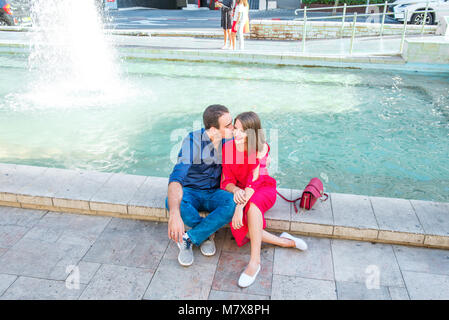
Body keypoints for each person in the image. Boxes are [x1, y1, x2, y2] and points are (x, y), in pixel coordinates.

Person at [221, 112, 308, 288]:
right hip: (241, 192)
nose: (237, 134)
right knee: (239, 226)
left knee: (251, 209)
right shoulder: (227, 148)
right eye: (236, 129)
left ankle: (255, 262)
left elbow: (255, 181)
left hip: (262, 189)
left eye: (243, 131)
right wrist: (236, 190)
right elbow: (226, 181)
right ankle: (285, 241)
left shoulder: (261, 148)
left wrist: (239, 207)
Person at [166, 104, 236, 267]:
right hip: (191, 191)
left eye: (231, 122)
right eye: (228, 125)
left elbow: (251, 152)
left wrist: (263, 156)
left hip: (215, 192)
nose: (233, 127)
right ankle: (205, 235)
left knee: (233, 202)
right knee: (172, 203)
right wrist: (174, 214)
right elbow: (177, 176)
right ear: (213, 130)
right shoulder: (192, 141)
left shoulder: (230, 140)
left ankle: (189, 238)